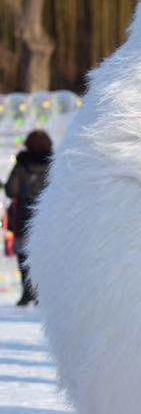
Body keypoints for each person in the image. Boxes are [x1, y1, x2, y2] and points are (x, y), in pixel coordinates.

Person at [5, 130, 53, 306]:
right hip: (45, 215)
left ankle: (27, 292)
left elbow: (11, 190)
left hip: (23, 215)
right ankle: (41, 291)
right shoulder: (53, 165)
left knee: (23, 254)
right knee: (43, 254)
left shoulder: (21, 164)